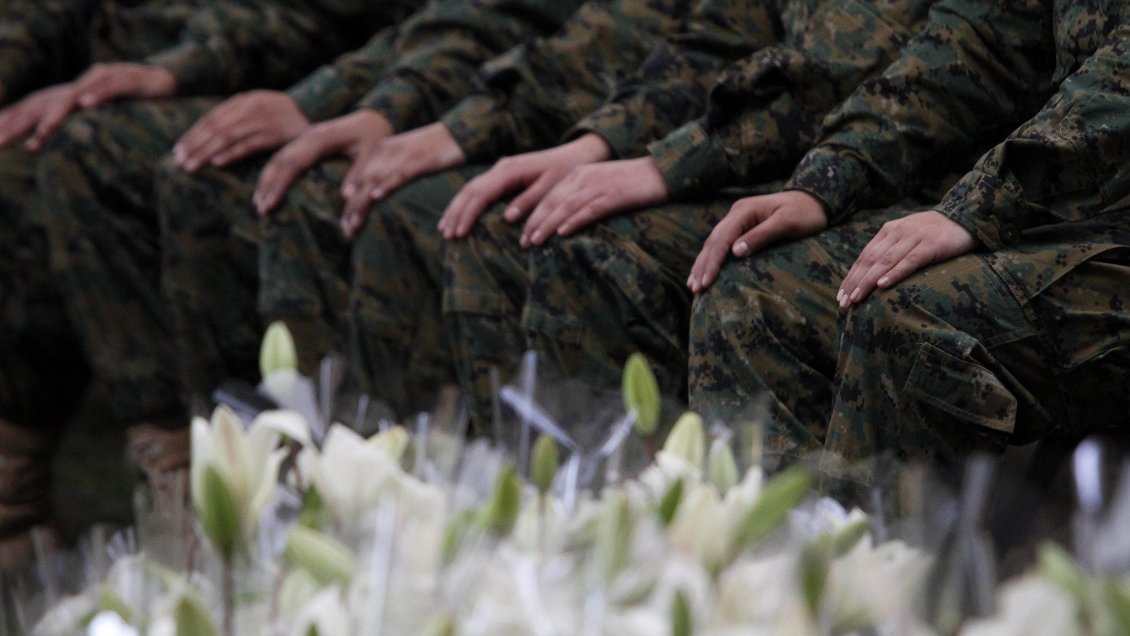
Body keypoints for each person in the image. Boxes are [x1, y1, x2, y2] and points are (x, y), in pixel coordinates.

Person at [161, 0, 691, 421]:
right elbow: (467, 17)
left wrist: (647, 153)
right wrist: (371, 101)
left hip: (696, 138)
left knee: (461, 224)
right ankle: (290, 467)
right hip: (525, 90)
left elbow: (715, 42)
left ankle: (474, 493)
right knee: (307, 189)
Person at [689, 0, 1130, 486]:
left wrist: (977, 205)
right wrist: (828, 178)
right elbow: (978, 45)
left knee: (904, 317)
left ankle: (881, 555)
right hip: (1058, 206)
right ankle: (765, 551)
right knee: (754, 290)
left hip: (1085, 221)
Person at [440, 0, 936, 430]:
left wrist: (671, 164)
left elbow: (864, 72)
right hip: (798, 162)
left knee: (731, 282)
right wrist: (603, 142)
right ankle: (552, 505)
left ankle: (696, 519)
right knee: (508, 228)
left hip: (914, 182)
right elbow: (716, 41)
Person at [0, 0, 208, 573]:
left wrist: (179, 69)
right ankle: (11, 514)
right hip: (119, 87)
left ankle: (188, 498)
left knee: (84, 156)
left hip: (265, 84)